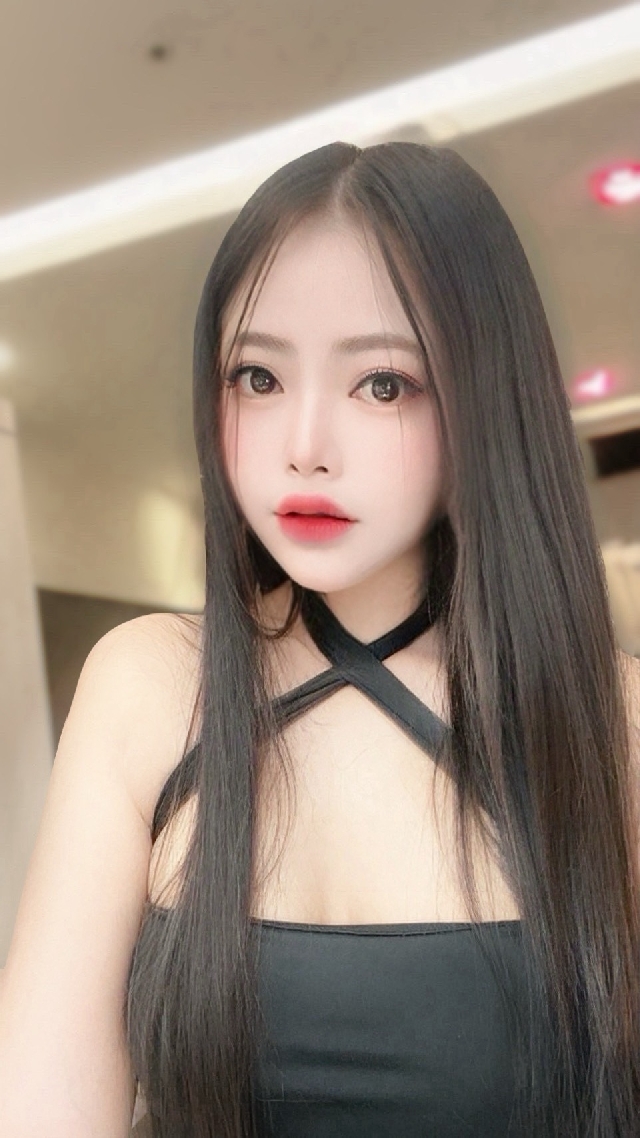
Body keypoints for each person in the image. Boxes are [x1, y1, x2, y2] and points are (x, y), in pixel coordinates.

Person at [1, 140, 639, 1138]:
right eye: (256, 376)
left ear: (484, 397)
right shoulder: (149, 688)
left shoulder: (613, 722)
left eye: (381, 384)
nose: (304, 445)